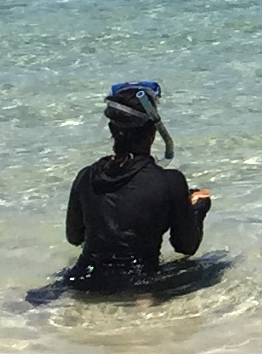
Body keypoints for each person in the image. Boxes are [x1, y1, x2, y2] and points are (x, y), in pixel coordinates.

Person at [60, 81, 212, 293]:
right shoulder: (171, 181)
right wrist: (197, 209)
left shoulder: (86, 176)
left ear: (112, 129)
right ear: (153, 132)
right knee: (216, 266)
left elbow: (74, 237)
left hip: (83, 280)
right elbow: (186, 246)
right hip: (139, 283)